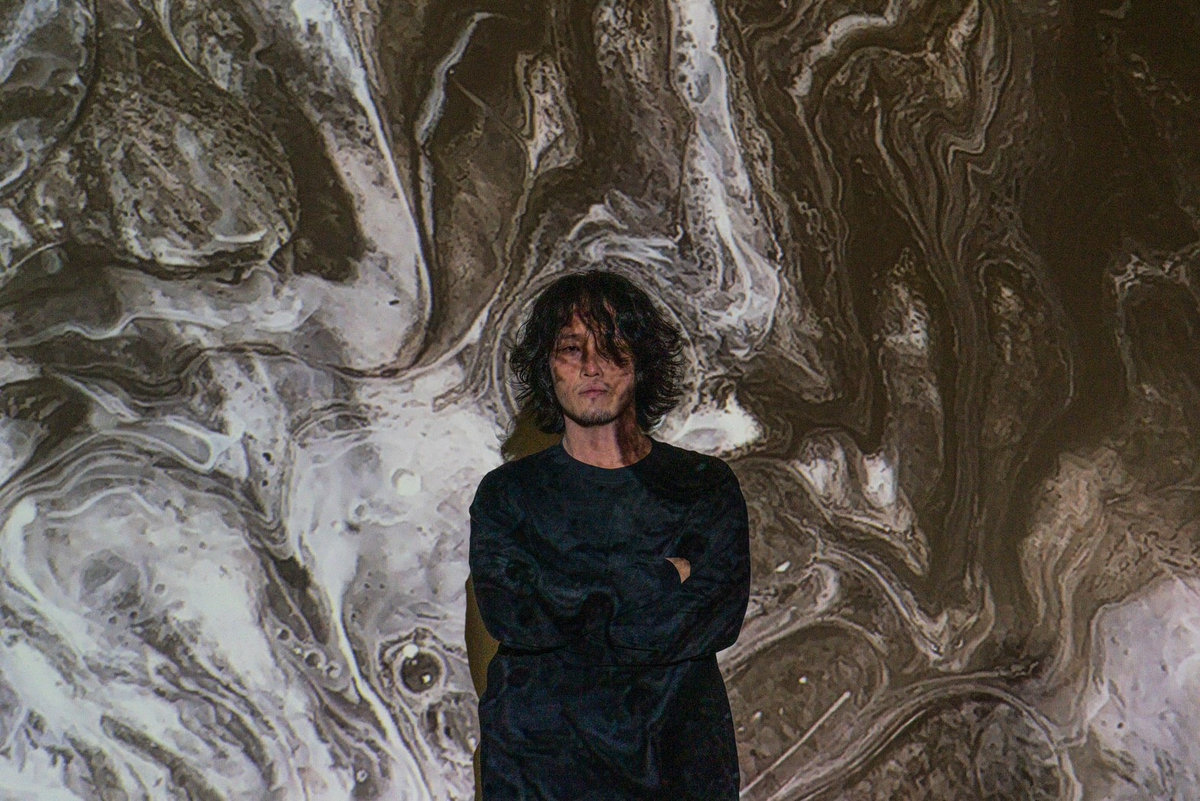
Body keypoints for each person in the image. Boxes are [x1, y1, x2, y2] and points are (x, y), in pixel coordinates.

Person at [469, 270, 751, 800]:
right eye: (571, 348)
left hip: (677, 771)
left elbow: (717, 618)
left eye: (611, 347)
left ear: (640, 360)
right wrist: (661, 576)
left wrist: (566, 594)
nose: (592, 366)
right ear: (547, 366)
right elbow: (515, 617)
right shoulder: (508, 496)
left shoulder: (701, 486)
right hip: (542, 775)